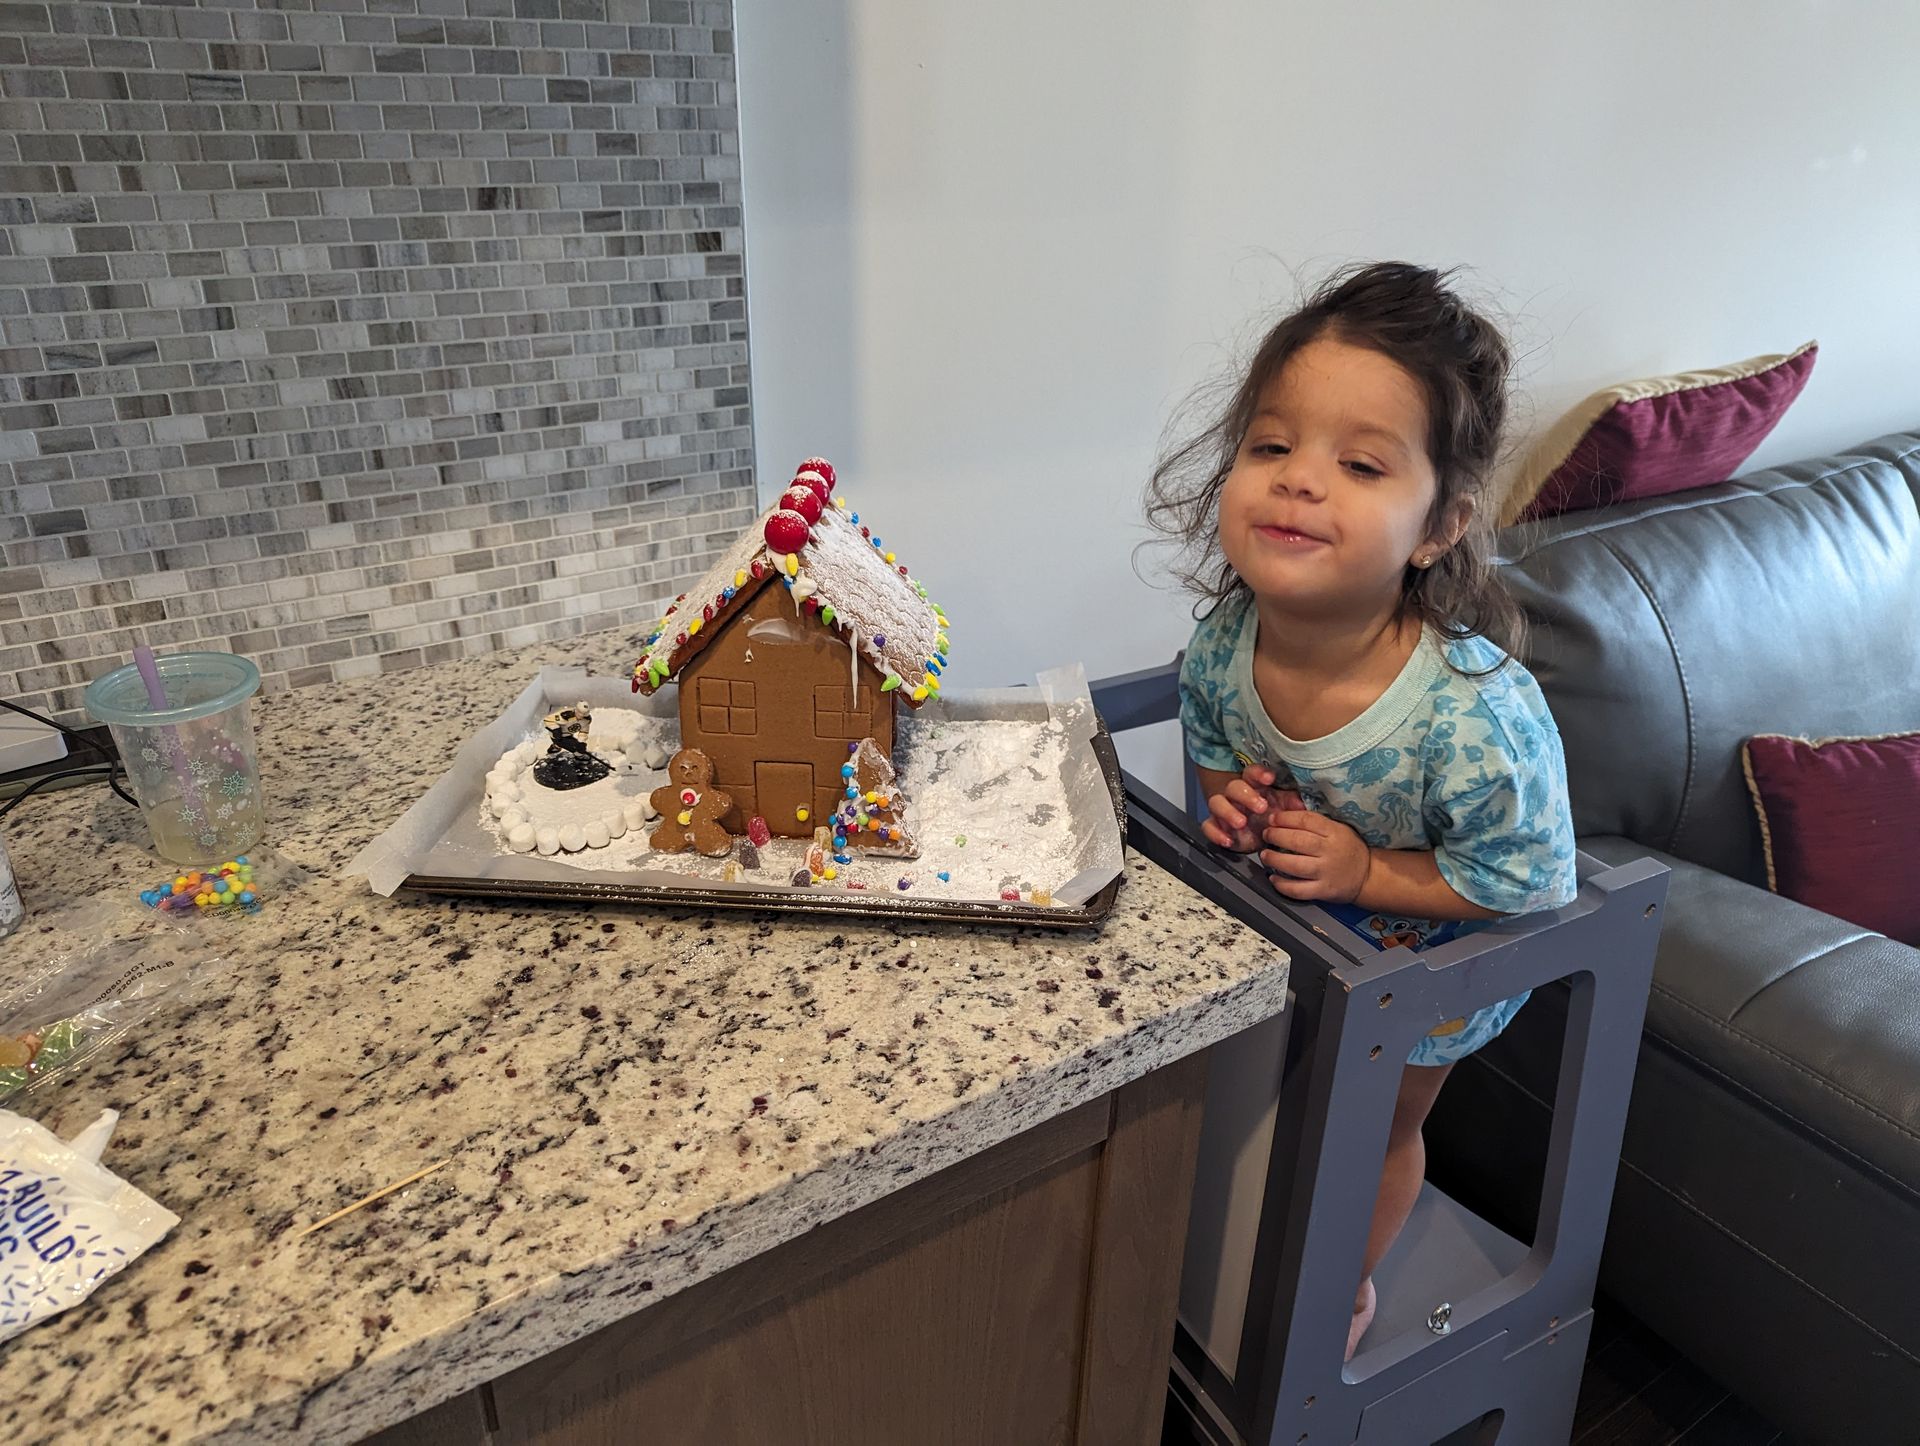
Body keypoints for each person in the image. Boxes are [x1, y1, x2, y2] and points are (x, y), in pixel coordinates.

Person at [1148, 261, 1577, 1358]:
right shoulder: (1221, 646)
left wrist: (1365, 874)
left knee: (1378, 1124)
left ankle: (1342, 1287)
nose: (1298, 482)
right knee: (1277, 1103)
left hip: (1428, 963)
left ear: (1439, 526)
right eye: (1272, 446)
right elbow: (1218, 772)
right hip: (1300, 934)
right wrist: (1234, 809)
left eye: (1360, 463)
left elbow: (1521, 887)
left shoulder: (1473, 714)